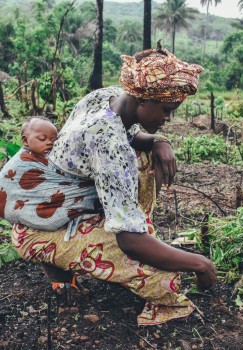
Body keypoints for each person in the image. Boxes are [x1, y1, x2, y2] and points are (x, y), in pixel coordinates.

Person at [3, 42, 217, 326]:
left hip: (53, 203)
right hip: (37, 228)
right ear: (142, 100)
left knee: (141, 157)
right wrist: (200, 264)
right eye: (166, 110)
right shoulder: (108, 145)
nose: (168, 118)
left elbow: (130, 135)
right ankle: (58, 257)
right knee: (164, 277)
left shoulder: (108, 97)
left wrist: (158, 141)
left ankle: (73, 253)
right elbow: (130, 241)